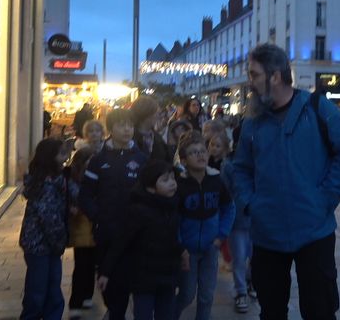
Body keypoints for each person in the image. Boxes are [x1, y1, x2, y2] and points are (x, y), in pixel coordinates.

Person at [233, 44, 340, 319]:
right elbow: (240, 168)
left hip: (314, 232)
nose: (250, 82)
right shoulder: (252, 122)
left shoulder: (317, 108)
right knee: (271, 311)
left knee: (320, 310)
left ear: (275, 76)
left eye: (254, 74)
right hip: (267, 233)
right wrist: (250, 203)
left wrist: (324, 198)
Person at [78, 109, 148, 319]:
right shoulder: (98, 160)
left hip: (136, 233)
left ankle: (117, 312)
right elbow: (85, 195)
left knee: (127, 281)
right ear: (110, 129)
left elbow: (150, 192)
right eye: (121, 125)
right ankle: (114, 309)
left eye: (130, 125)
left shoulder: (142, 159)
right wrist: (98, 217)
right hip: (107, 232)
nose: (127, 130)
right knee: (108, 280)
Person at [98, 161, 186, 320]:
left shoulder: (172, 206)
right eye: (165, 180)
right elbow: (120, 242)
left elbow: (171, 239)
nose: (172, 183)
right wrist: (105, 272)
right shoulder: (138, 211)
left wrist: (181, 254)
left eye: (173, 178)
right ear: (150, 188)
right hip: (144, 279)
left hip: (168, 276)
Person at [174, 131, 235, 320]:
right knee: (187, 293)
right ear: (184, 160)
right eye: (194, 152)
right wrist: (180, 245)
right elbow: (173, 218)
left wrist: (221, 236)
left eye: (202, 151)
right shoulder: (180, 185)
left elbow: (229, 207)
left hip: (210, 247)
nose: (200, 155)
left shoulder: (216, 181)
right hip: (188, 250)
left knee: (207, 295)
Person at [19, 139, 72, 320]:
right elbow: (49, 218)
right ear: (50, 157)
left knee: (49, 288)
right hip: (40, 245)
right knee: (39, 290)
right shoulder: (46, 184)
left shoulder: (54, 179)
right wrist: (59, 241)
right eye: (61, 154)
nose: (65, 158)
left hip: (43, 245)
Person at [221, 128, 255, 314]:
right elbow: (225, 193)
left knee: (255, 256)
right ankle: (240, 291)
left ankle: (251, 282)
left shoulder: (262, 160)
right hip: (237, 219)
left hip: (258, 219)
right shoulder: (229, 165)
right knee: (239, 257)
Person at [65, 147, 98, 313]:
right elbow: (73, 198)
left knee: (91, 265)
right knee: (81, 266)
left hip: (94, 227)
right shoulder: (72, 179)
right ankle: (76, 302)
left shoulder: (96, 176)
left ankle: (87, 296)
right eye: (89, 160)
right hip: (80, 227)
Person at [131, 95, 173, 163]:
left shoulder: (157, 137)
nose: (158, 116)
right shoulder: (128, 138)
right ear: (146, 114)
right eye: (156, 112)